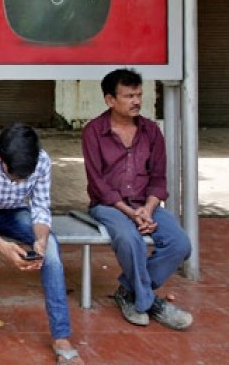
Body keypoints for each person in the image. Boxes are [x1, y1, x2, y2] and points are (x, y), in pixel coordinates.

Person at [0, 123, 83, 365]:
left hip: (14, 211)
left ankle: (61, 337)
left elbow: (41, 208)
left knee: (52, 248)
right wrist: (3, 247)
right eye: (12, 175)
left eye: (22, 178)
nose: (16, 182)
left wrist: (41, 240)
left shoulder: (41, 161)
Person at [82, 68, 192, 330]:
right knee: (131, 240)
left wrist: (147, 208)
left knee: (180, 244)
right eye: (129, 96)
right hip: (108, 205)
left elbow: (158, 179)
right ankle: (148, 302)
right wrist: (130, 213)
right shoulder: (94, 132)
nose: (136, 101)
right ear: (110, 100)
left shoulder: (151, 131)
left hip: (146, 203)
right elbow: (97, 183)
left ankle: (128, 292)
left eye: (139, 95)